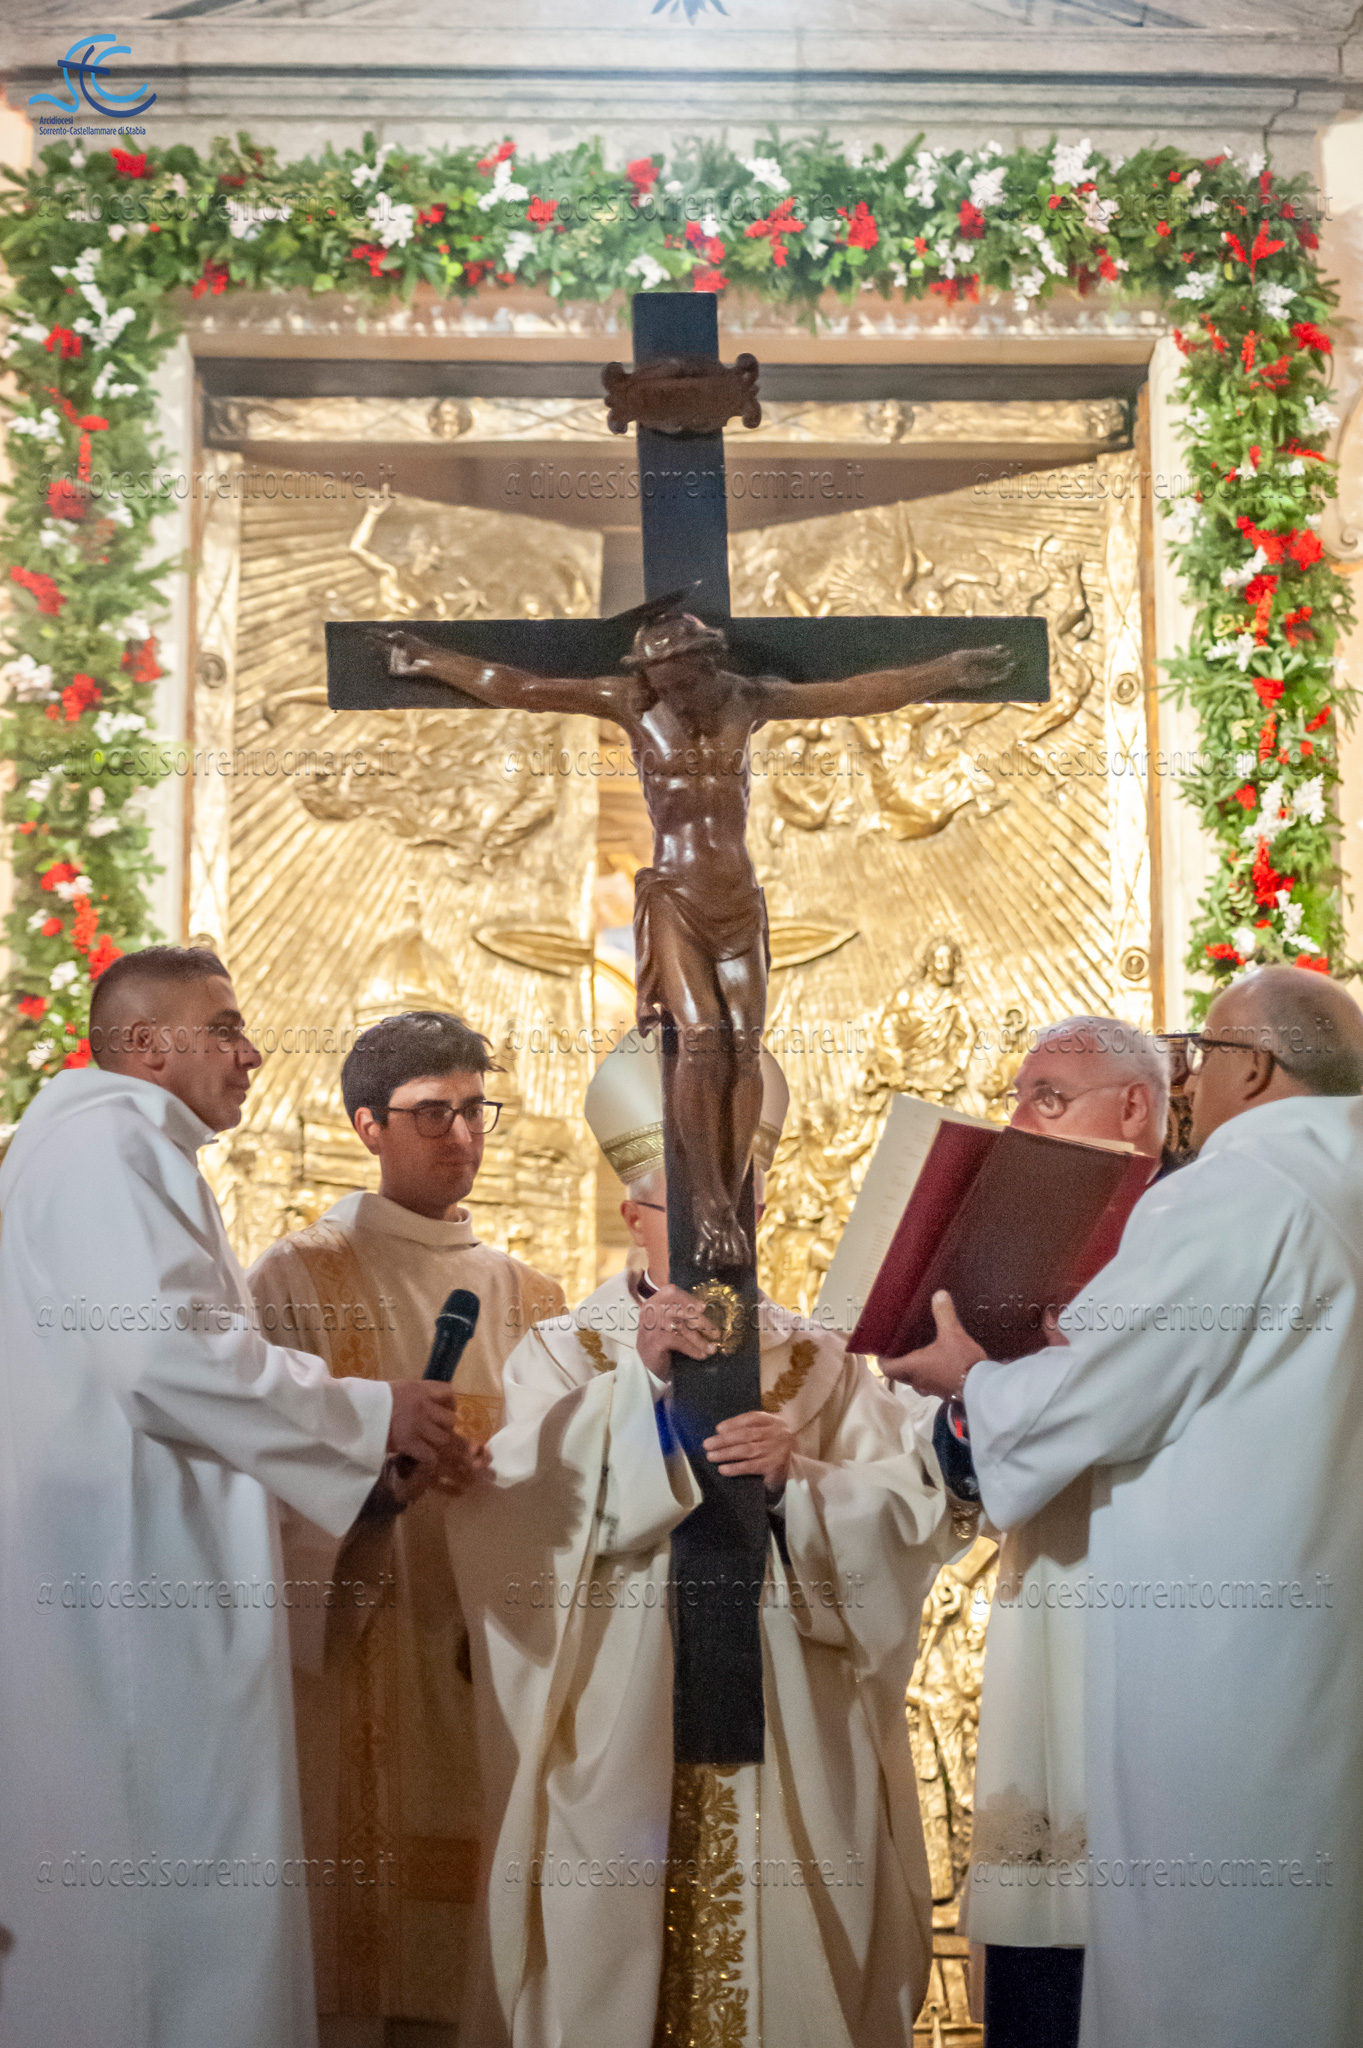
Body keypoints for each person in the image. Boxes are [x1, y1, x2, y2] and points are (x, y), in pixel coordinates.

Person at [450, 1027, 964, 2048]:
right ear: (633, 1214)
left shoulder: (819, 1362)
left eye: (739, 1209)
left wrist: (798, 1484)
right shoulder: (562, 1353)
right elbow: (514, 1521)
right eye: (685, 1213)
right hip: (621, 1717)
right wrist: (635, 1390)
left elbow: (914, 1518)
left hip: (789, 1718)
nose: (716, 1235)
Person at [880, 967, 1363, 2048]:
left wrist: (971, 1381)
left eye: (1201, 1054)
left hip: (1223, 1658)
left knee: (1210, 1960)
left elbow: (1104, 1385)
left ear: (1252, 1068)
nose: (1191, 1081)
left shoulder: (1238, 1188)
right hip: (1323, 1637)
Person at [0, 947, 471, 2048]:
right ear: (145, 1044)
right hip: (137, 1595)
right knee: (168, 1916)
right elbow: (161, 1353)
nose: (251, 1052)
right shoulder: (108, 1143)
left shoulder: (104, 1147)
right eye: (223, 1027)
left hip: (131, 1569)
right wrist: (368, 1412)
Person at [381, 600, 1012, 1266]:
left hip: (738, 900)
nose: (668, 691)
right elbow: (520, 687)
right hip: (676, 897)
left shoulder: (750, 699)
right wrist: (427, 658)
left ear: (704, 663)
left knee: (744, 1047)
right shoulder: (631, 704)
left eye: (678, 678)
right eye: (657, 678)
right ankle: (708, 1203)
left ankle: (732, 1198)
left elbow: (857, 694)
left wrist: (946, 671)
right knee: (703, 1038)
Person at [248, 1010, 566, 2048]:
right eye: (433, 1112)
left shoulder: (533, 1298)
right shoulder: (296, 1278)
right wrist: (380, 1491)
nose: (462, 1135)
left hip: (490, 1660)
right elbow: (254, 1486)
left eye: (477, 1109)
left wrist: (496, 1481)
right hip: (357, 1658)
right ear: (367, 1125)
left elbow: (575, 1483)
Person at [951, 1017, 1169, 2048]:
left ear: (1134, 1107)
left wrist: (979, 1382)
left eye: (1047, 1097)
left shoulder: (1181, 1234)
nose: (1018, 1121)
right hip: (1049, 1575)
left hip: (1145, 1590)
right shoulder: (1030, 1237)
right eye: (1016, 1096)